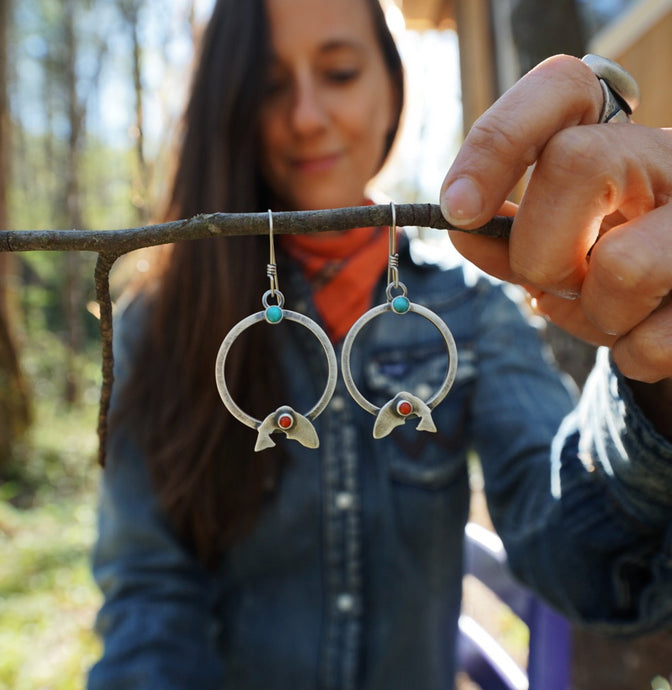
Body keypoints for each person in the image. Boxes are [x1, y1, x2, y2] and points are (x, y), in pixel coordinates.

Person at [87, 0, 672, 687]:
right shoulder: (160, 323)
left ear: (392, 85)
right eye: (271, 85)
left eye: (338, 72)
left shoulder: (471, 308)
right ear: (230, 103)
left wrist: (655, 388)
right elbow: (149, 603)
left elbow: (591, 567)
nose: (306, 116)